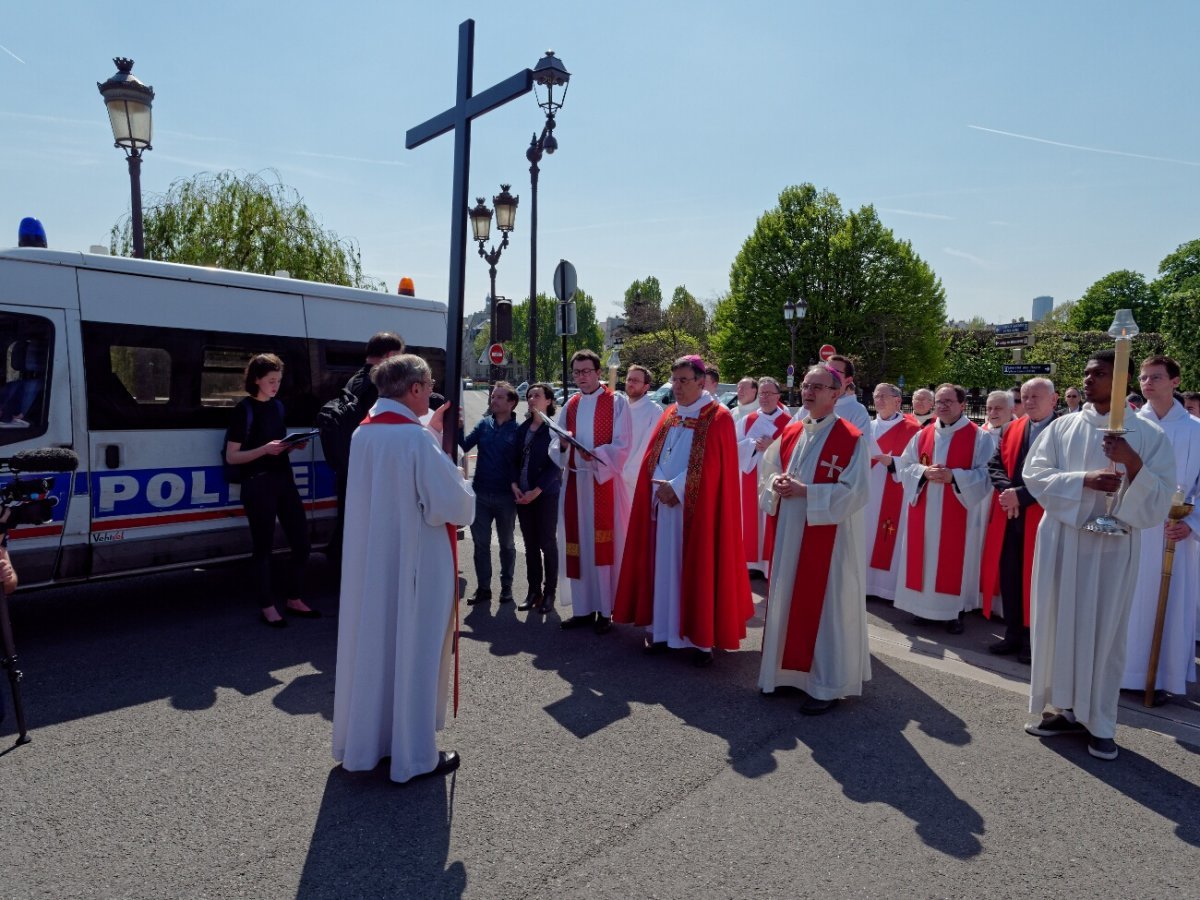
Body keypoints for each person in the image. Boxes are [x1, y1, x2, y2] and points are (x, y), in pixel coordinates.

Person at [1023, 350, 1175, 760]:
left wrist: (1133, 463)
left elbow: (1162, 498)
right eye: (1087, 373)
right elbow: (1034, 475)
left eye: (1100, 374)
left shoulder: (1147, 435)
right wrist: (1083, 480)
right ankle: (1063, 708)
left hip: (1112, 545)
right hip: (1062, 537)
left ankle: (1101, 722)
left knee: (1104, 630)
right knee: (1059, 622)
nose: (1089, 380)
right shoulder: (1063, 427)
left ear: (1121, 379)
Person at [332, 354, 473, 784]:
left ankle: (369, 744)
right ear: (413, 389)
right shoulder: (414, 441)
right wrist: (461, 475)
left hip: (374, 561)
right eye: (428, 386)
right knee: (415, 649)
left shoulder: (365, 432)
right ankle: (414, 756)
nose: (431, 393)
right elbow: (449, 506)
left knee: (376, 647)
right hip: (416, 562)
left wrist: (430, 433)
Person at [614, 356, 753, 666]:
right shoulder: (671, 414)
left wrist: (677, 487)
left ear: (701, 382)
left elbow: (716, 468)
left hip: (697, 512)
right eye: (674, 380)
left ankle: (699, 640)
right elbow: (655, 455)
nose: (676, 387)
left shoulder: (718, 418)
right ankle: (661, 631)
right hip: (661, 507)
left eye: (683, 381)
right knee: (662, 568)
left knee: (698, 568)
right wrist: (658, 484)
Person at [757, 365, 871, 713]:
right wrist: (775, 483)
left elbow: (857, 492)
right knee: (789, 598)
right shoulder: (792, 431)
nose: (808, 392)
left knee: (826, 607)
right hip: (792, 531)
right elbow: (769, 467)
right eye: (806, 385)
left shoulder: (851, 438)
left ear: (836, 394)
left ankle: (826, 685)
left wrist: (807, 491)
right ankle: (784, 675)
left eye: (818, 387)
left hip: (828, 537)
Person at [1120, 356, 1200, 703]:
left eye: (1156, 377)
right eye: (1143, 377)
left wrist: (1192, 524)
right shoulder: (1130, 426)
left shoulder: (1196, 430)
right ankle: (1124, 673)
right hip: (1136, 527)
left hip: (1174, 532)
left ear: (1175, 382)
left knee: (1168, 605)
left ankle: (1162, 675)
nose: (1147, 383)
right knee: (1130, 601)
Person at [224, 353, 317, 627]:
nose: (276, 385)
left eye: (278, 380)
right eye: (271, 380)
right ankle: (267, 605)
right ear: (256, 380)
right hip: (258, 484)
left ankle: (294, 597)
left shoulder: (277, 407)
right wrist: (265, 449)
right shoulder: (244, 410)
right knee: (263, 547)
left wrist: (292, 445)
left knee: (302, 542)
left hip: (284, 481)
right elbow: (232, 456)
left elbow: (277, 442)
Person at [893, 383, 994, 634]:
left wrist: (955, 477)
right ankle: (921, 607)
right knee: (924, 555)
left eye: (949, 401)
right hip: (924, 506)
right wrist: (924, 472)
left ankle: (953, 612)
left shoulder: (979, 437)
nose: (943, 406)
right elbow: (905, 466)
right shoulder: (923, 434)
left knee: (954, 557)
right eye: (939, 401)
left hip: (958, 508)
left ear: (963, 404)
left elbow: (987, 474)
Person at [552, 350, 633, 633]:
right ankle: (583, 609)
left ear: (598, 372)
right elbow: (556, 441)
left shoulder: (615, 402)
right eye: (577, 372)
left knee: (603, 545)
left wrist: (596, 455)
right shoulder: (570, 405)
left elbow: (624, 443)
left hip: (602, 482)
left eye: (587, 371)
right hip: (575, 483)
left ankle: (605, 610)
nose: (582, 377)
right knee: (579, 546)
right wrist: (562, 446)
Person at [979, 377, 1059, 664]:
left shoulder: (1063, 430)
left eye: (1037, 396)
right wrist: (1006, 491)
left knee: (1038, 580)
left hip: (1044, 515)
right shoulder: (1013, 428)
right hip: (1011, 516)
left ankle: (1033, 639)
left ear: (1054, 399)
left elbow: (1061, 474)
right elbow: (995, 464)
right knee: (1011, 576)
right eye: (1025, 396)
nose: (1030, 401)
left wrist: (1021, 496)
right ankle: (1013, 633)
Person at [328, 332, 405, 564]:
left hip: (349, 468)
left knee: (348, 526)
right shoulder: (375, 385)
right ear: (390, 356)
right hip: (368, 472)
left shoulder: (354, 380)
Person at [461, 381, 520, 606]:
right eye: (493, 396)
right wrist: (456, 427)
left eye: (499, 397)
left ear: (512, 403)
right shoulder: (484, 425)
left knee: (507, 544)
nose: (493, 400)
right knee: (481, 544)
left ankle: (507, 588)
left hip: (506, 497)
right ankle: (484, 588)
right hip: (481, 495)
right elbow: (462, 446)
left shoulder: (518, 430)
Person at [864, 383, 921, 603]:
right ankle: (865, 584)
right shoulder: (867, 427)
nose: (878, 400)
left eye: (883, 396)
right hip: (869, 491)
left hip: (894, 490)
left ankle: (886, 589)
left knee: (889, 536)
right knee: (867, 534)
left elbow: (917, 463)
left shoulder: (913, 430)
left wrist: (893, 463)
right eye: (876, 396)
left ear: (898, 401)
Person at [511, 384, 561, 613]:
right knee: (530, 545)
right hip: (522, 496)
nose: (531, 399)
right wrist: (514, 485)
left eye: (537, 396)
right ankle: (534, 592)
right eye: (530, 395)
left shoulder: (553, 430)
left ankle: (549, 592)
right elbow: (513, 460)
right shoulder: (522, 429)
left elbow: (556, 467)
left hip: (545, 495)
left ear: (548, 401)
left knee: (547, 543)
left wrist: (537, 491)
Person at [737, 376, 792, 578]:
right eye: (762, 393)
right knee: (751, 519)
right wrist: (753, 445)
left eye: (769, 393)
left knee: (770, 517)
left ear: (778, 396)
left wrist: (772, 446)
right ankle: (751, 563)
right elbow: (734, 446)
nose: (765, 397)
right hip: (750, 477)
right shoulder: (748, 420)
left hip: (774, 477)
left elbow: (795, 450)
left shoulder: (789, 421)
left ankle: (769, 565)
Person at [620, 364, 664, 500]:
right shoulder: (618, 406)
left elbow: (648, 448)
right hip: (612, 475)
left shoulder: (654, 411)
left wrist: (628, 473)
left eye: (636, 381)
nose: (631, 383)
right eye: (629, 380)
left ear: (646, 387)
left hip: (635, 479)